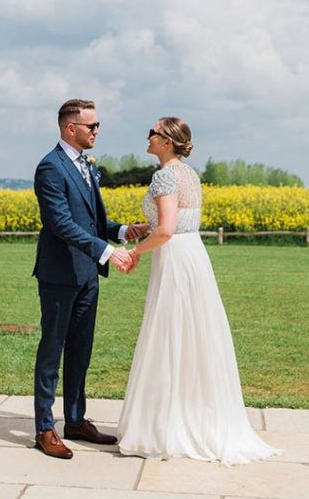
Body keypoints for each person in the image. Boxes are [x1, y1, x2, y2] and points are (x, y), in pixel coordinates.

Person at [116, 117, 280, 465]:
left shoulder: (163, 176)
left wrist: (134, 252)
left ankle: (165, 426)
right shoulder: (189, 174)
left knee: (169, 335)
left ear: (167, 141)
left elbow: (167, 231)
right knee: (194, 336)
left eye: (153, 132)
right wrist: (147, 228)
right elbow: (179, 221)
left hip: (174, 258)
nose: (147, 136)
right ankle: (193, 417)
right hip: (194, 256)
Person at [32, 98, 148, 459]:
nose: (97, 131)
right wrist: (108, 251)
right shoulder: (50, 168)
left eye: (97, 126)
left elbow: (90, 221)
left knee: (81, 350)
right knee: (53, 350)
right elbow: (61, 224)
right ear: (71, 128)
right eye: (91, 126)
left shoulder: (84, 164)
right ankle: (44, 429)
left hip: (86, 274)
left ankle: (76, 420)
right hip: (59, 274)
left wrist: (124, 230)